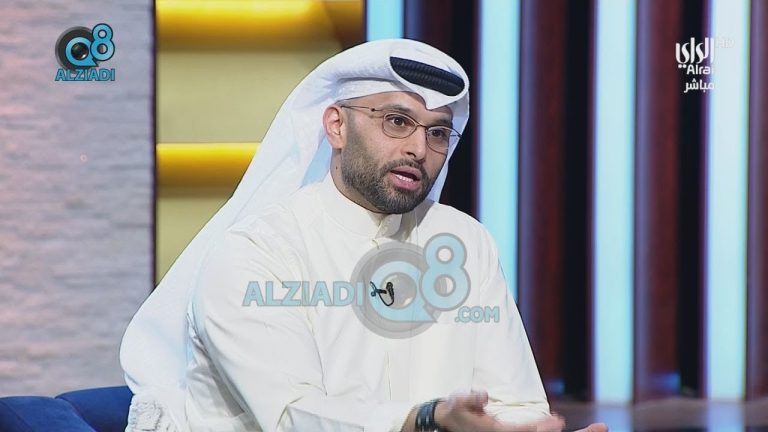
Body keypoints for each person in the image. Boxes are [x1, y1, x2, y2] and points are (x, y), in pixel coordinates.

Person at [120, 39, 607, 432]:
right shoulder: (256, 251)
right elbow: (292, 416)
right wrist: (425, 421)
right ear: (336, 126)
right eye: (397, 122)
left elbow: (513, 403)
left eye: (438, 133)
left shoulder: (463, 241)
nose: (419, 148)